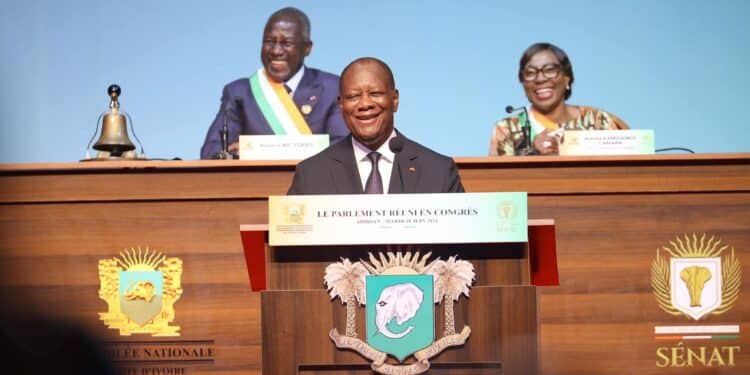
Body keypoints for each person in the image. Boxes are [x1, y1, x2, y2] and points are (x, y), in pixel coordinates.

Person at [287, 57, 464, 194]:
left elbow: (461, 237)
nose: (365, 104)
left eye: (375, 93)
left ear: (395, 100)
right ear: (341, 105)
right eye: (354, 96)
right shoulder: (311, 174)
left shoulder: (438, 170)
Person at [200, 7, 348, 159]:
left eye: (286, 43)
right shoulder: (239, 92)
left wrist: (257, 151)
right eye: (269, 41)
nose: (276, 51)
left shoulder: (332, 88)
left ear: (307, 48)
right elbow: (212, 152)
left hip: (317, 181)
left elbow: (342, 149)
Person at [489, 43, 629, 156]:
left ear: (567, 78)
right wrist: (532, 152)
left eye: (550, 70)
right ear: (523, 84)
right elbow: (498, 184)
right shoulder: (506, 129)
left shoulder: (598, 121)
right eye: (530, 73)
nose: (540, 79)